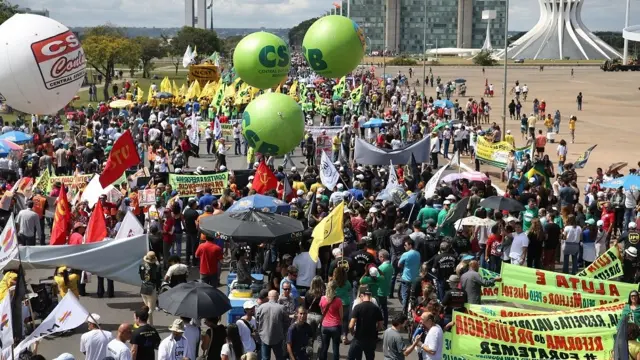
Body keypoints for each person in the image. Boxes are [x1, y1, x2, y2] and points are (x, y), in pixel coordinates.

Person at [348, 285, 383, 360]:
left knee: (353, 356)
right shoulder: (376, 308)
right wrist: (375, 329)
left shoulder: (358, 307)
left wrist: (352, 332)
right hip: (371, 339)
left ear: (361, 295)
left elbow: (351, 325)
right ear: (370, 295)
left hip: (359, 338)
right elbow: (380, 325)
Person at [256, 290, 288, 360]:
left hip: (264, 336)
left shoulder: (261, 307)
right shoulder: (282, 308)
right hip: (278, 337)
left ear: (268, 297)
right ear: (277, 297)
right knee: (279, 357)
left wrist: (259, 333)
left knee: (265, 358)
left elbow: (257, 322)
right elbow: (286, 323)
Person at [318, 281, 343, 360]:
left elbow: (322, 311)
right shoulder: (338, 300)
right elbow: (341, 315)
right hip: (335, 326)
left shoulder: (322, 298)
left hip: (325, 326)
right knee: (335, 348)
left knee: (324, 347)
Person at [398, 238, 421, 314]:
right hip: (416, 278)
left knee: (405, 296)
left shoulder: (405, 254)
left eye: (405, 245)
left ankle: (404, 311)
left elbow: (399, 264)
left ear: (410, 245)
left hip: (406, 278)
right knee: (415, 296)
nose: (404, 246)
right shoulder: (418, 253)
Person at [138, 251, 161, 325]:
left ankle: (143, 322)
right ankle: (149, 324)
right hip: (152, 288)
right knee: (151, 309)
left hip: (143, 286)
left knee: (146, 307)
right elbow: (158, 279)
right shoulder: (156, 267)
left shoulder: (142, 265)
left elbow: (141, 277)